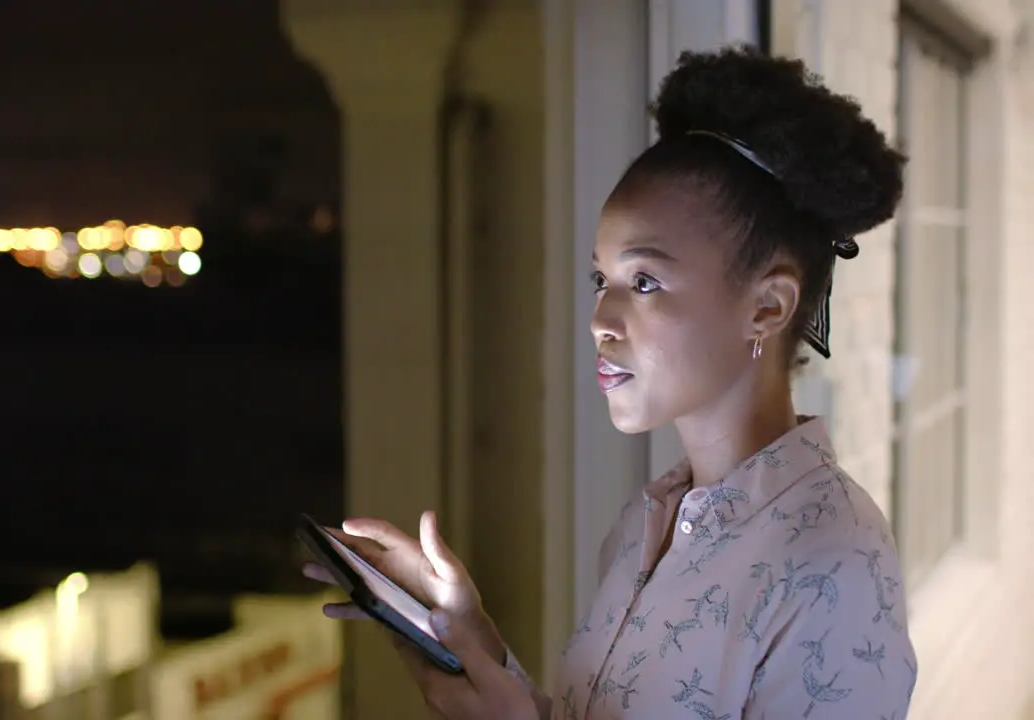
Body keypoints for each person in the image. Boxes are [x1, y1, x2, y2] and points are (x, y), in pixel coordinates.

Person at [303, 45, 916, 719]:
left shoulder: (835, 561)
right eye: (603, 280)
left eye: (644, 281)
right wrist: (468, 633)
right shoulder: (645, 525)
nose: (600, 318)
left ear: (766, 307)